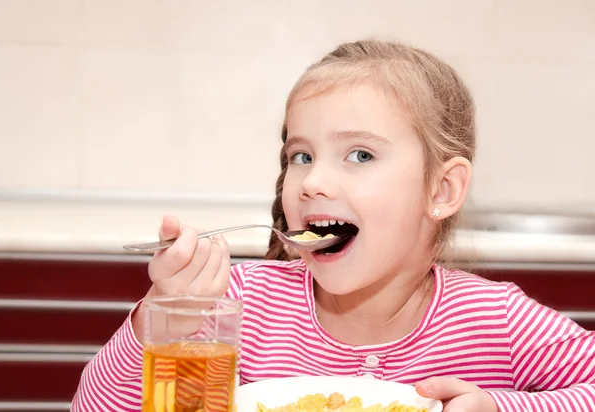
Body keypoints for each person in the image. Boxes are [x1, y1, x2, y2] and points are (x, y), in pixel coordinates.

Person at [71, 39, 595, 412]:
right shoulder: (234, 306)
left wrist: (501, 408)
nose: (312, 181)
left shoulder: (495, 321)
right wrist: (163, 325)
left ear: (441, 191)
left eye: (360, 154)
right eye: (300, 156)